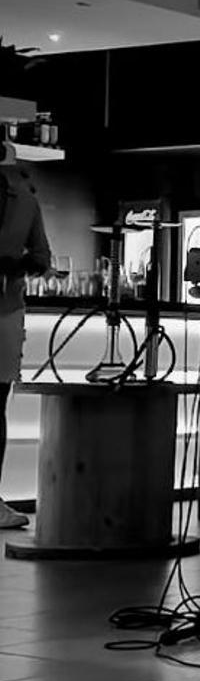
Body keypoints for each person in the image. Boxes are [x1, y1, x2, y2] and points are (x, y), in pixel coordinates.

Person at [0, 140, 52, 531]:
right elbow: (41, 259)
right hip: (7, 306)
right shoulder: (26, 198)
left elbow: (40, 259)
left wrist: (16, 265)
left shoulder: (24, 199)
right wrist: (17, 264)